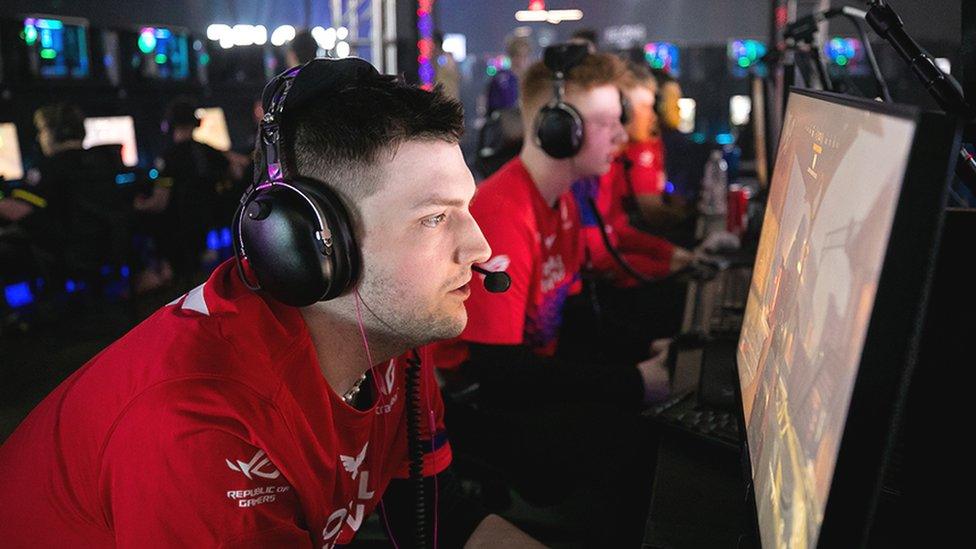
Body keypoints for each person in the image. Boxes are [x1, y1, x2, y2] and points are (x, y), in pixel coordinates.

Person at [0, 58, 541, 548]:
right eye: (434, 218)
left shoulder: (394, 334)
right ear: (307, 244)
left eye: (464, 207)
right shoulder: (197, 431)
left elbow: (434, 511)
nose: (481, 249)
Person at [430, 49, 667, 546]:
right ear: (557, 129)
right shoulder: (503, 211)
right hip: (481, 402)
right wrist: (633, 383)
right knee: (645, 445)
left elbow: (575, 313)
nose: (622, 137)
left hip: (524, 381)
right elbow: (501, 372)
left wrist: (656, 351)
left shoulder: (559, 202)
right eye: (606, 122)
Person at [0, 103, 127, 291]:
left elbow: (17, 209)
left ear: (57, 132)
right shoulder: (104, 159)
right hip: (110, 249)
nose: (39, 137)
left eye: (42, 131)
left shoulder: (49, 168)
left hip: (69, 254)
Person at [134, 98, 246, 291]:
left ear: (168, 126)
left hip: (181, 229)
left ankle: (161, 275)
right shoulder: (207, 151)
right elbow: (237, 172)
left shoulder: (168, 158)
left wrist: (138, 205)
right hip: (208, 221)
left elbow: (160, 203)